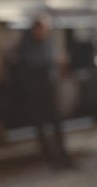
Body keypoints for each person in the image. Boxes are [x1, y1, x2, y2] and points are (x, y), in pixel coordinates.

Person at [18, 15, 74, 169]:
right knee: (41, 126)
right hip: (36, 92)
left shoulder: (47, 42)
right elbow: (36, 62)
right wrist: (54, 60)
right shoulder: (27, 45)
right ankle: (50, 159)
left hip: (50, 90)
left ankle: (63, 157)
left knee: (56, 124)